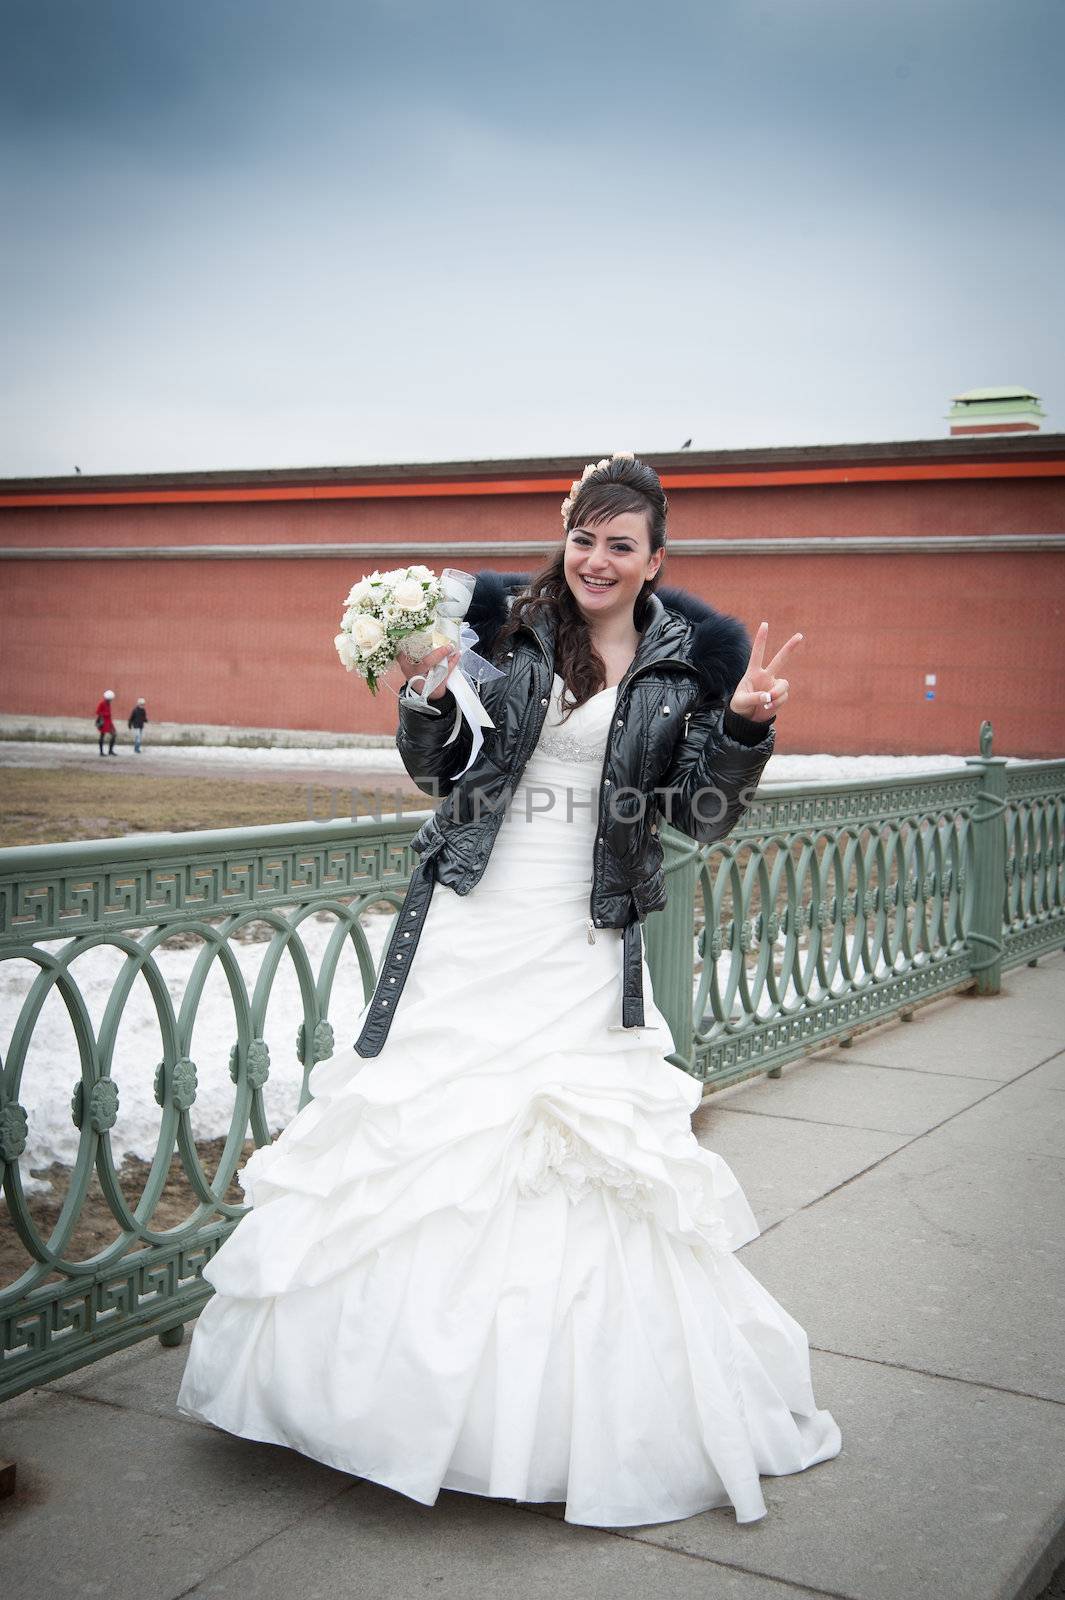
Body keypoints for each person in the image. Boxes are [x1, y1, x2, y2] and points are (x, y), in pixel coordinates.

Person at [176, 452, 840, 1527]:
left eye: (621, 544)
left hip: (582, 940)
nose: (597, 559)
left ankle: (542, 1429)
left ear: (655, 560)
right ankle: (371, 1407)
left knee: (569, 1162)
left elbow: (699, 818)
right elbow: (440, 772)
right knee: (426, 1143)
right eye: (585, 536)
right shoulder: (506, 627)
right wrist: (427, 699)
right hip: (472, 920)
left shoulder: (684, 665)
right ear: (565, 536)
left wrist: (748, 726)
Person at [94, 689, 117, 756]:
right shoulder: (102, 703)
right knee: (102, 736)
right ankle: (101, 752)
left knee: (114, 734)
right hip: (104, 722)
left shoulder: (108, 703)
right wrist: (105, 714)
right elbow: (98, 712)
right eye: (110, 699)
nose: (111, 700)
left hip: (109, 722)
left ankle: (110, 751)